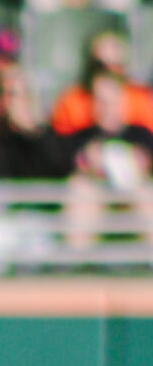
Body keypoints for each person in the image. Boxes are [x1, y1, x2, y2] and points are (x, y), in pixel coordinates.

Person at [63, 65, 153, 248]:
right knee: (80, 190)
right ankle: (77, 257)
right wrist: (89, 162)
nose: (106, 108)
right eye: (100, 101)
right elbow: (67, 165)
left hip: (133, 199)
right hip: (96, 199)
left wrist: (136, 163)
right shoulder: (81, 138)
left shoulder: (142, 136)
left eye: (111, 102)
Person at [52, 27, 153, 138]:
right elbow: (59, 142)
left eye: (115, 66)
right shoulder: (71, 102)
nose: (108, 73)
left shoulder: (141, 100)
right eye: (100, 66)